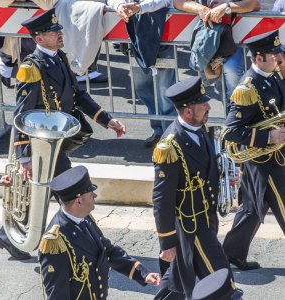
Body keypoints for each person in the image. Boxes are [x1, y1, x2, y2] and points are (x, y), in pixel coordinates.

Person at [0, 8, 126, 261]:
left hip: (56, 142)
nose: (60, 34)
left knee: (47, 195)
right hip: (40, 144)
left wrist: (107, 120)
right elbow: (22, 114)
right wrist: (24, 157)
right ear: (39, 38)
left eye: (58, 30)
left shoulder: (59, 58)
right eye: (54, 32)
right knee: (75, 191)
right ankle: (96, 243)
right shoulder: (30, 68)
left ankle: (6, 235)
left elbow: (79, 95)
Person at [152, 76, 239, 299]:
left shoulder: (200, 129)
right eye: (203, 104)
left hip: (206, 219)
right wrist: (167, 242)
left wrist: (223, 178)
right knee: (223, 283)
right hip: (191, 227)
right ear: (188, 111)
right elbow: (162, 198)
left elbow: (202, 171)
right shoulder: (169, 146)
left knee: (177, 285)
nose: (209, 107)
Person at [38, 165, 161, 299]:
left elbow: (107, 251)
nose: (95, 196)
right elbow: (57, 294)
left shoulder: (85, 219)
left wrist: (143, 274)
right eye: (91, 194)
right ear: (78, 201)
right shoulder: (55, 242)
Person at [222, 30, 285, 271]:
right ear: (258, 58)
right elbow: (231, 132)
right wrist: (269, 135)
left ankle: (232, 254)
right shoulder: (246, 89)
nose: (278, 58)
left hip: (275, 156)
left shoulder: (274, 76)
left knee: (252, 208)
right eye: (273, 55)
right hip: (265, 161)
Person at [108, 0, 177, 148]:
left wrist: (139, 8)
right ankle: (158, 129)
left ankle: (170, 134)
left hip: (163, 37)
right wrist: (119, 5)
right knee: (142, 87)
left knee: (165, 91)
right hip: (137, 40)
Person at [173, 0, 260, 108]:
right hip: (210, 42)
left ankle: (239, 113)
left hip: (235, 38)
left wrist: (226, 7)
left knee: (231, 69)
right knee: (219, 84)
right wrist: (200, 8)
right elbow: (178, 2)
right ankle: (232, 115)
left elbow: (254, 4)